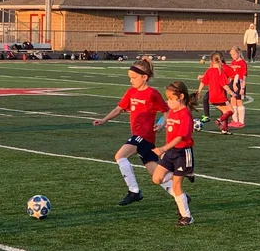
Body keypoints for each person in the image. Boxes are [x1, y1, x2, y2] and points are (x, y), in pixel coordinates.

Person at [93, 57, 169, 206]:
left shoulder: (152, 94)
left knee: (120, 156)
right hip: (138, 136)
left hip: (145, 135)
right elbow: (119, 109)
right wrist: (104, 119)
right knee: (155, 173)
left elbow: (166, 111)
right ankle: (179, 194)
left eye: (134, 78)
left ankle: (134, 191)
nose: (131, 81)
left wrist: (161, 125)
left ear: (144, 77)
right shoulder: (131, 92)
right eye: (130, 78)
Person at [152, 81, 197, 226]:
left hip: (182, 153)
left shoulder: (185, 114)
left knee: (177, 186)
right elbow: (167, 118)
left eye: (171, 98)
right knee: (157, 179)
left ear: (181, 97)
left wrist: (163, 148)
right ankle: (187, 173)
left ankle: (187, 216)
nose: (169, 101)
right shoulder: (173, 111)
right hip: (170, 152)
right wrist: (161, 124)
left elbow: (180, 137)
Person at [196, 52, 236, 133]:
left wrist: (199, 91)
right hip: (221, 96)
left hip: (212, 98)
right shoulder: (220, 72)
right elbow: (224, 85)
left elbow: (203, 82)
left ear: (211, 61)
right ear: (221, 60)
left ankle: (224, 129)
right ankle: (219, 120)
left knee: (225, 111)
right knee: (231, 111)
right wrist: (232, 93)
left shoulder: (209, 71)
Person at [228, 46, 248, 128]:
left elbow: (243, 77)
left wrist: (242, 88)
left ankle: (241, 121)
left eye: (234, 54)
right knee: (233, 100)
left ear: (238, 53)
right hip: (233, 83)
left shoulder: (242, 63)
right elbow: (231, 75)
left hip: (240, 83)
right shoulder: (233, 62)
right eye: (231, 55)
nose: (233, 56)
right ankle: (235, 120)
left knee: (239, 101)